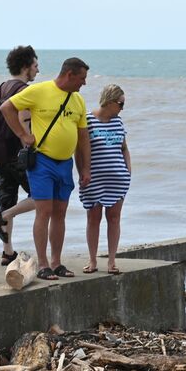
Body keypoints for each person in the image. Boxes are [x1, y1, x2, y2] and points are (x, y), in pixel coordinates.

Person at [1, 57, 90, 280]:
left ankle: (56, 262)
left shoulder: (78, 100)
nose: (84, 83)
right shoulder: (40, 91)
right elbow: (7, 107)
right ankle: (42, 264)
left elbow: (82, 138)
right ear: (69, 75)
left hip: (65, 164)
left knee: (60, 213)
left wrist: (85, 169)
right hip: (42, 162)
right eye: (82, 78)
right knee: (44, 211)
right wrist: (23, 135)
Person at [0, 45, 39, 266]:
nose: (38, 70)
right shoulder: (23, 90)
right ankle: (4, 217)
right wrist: (28, 143)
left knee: (6, 199)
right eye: (35, 65)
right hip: (17, 154)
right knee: (41, 195)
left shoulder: (2, 87)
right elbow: (24, 119)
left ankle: (7, 252)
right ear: (26, 67)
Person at [80, 84, 132, 274]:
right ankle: (93, 260)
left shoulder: (118, 122)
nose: (122, 109)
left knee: (114, 218)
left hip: (118, 179)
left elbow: (124, 148)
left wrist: (128, 171)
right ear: (109, 102)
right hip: (93, 179)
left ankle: (111, 261)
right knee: (93, 218)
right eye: (120, 104)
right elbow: (80, 150)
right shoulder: (87, 120)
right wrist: (82, 172)